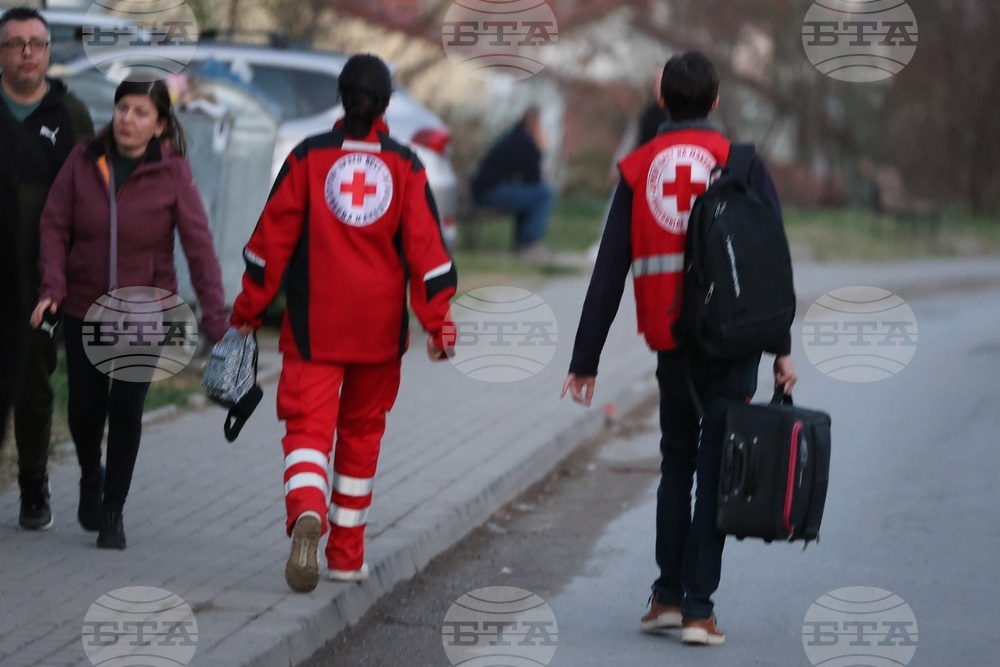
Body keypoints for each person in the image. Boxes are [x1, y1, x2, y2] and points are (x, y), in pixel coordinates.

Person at [561, 52, 797, 646]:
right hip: (734, 343)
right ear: (716, 101)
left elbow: (609, 267)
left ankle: (665, 597)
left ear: (662, 98)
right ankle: (698, 610)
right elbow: (771, 263)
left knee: (677, 463)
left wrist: (584, 360)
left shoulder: (640, 168)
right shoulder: (740, 163)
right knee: (715, 469)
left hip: (671, 341)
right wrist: (781, 348)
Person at [229, 54, 458, 593]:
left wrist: (247, 313)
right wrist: (439, 325)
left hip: (314, 327)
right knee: (360, 437)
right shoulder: (406, 166)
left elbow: (269, 245)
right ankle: (346, 556)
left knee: (308, 429)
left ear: (339, 96)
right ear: (386, 104)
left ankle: (307, 509)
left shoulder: (309, 158)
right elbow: (428, 253)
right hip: (379, 334)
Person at [31, 79, 228, 549]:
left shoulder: (173, 172)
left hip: (144, 310)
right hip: (84, 304)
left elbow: (199, 248)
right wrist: (53, 286)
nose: (127, 119)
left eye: (141, 112)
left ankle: (113, 510)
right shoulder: (83, 161)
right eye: (123, 108)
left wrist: (217, 322)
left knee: (126, 409)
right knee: (83, 408)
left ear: (160, 124)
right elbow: (54, 225)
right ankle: (88, 474)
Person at [0, 6, 94, 530]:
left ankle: (33, 486)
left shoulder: (70, 115)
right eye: (15, 44)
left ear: (49, 50)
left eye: (36, 43)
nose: (28, 53)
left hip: (40, 283)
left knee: (34, 383)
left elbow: (90, 198)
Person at [471, 107, 555, 255]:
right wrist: (539, 148)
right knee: (545, 193)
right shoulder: (524, 142)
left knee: (530, 194)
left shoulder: (513, 136)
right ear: (535, 124)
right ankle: (528, 243)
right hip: (491, 192)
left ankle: (523, 243)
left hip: (484, 189)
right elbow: (533, 178)